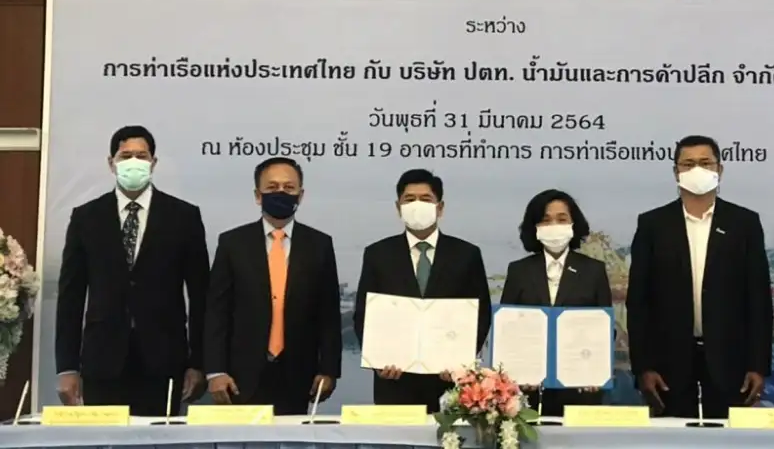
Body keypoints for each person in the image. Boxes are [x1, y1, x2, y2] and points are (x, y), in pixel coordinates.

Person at [55, 125, 210, 415]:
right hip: (102, 361)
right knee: (104, 438)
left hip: (165, 361)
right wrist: (66, 367)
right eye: (126, 156)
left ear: (153, 162)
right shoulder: (86, 218)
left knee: (160, 437)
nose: (134, 162)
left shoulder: (184, 216)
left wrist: (198, 363)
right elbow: (70, 298)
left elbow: (201, 296)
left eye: (142, 155)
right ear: (111, 163)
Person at [625, 134, 772, 419]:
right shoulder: (653, 224)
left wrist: (758, 365)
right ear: (675, 172)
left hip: (732, 363)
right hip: (668, 366)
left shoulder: (744, 223)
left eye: (705, 163)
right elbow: (639, 302)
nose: (697, 170)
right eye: (688, 164)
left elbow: (758, 299)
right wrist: (643, 367)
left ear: (720, 169)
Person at [203, 157, 341, 415]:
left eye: (289, 188)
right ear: (258, 195)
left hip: (299, 376)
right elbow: (217, 312)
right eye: (272, 187)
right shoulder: (233, 243)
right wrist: (215, 371)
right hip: (239, 377)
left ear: (300, 195)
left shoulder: (319, 245)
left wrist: (329, 370)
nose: (281, 193)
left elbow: (329, 314)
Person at [354, 168, 492, 413]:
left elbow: (480, 314)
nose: (417, 205)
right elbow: (364, 314)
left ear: (440, 207)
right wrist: (378, 360)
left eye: (425, 199)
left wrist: (462, 362)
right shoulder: (378, 254)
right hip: (395, 381)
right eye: (409, 199)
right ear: (398, 208)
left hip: (450, 384)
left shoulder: (467, 255)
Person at [500, 189, 613, 417]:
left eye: (562, 219)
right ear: (534, 227)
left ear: (574, 225)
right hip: (527, 391)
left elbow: (605, 328)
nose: (554, 226)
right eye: (546, 220)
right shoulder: (519, 271)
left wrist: (594, 371)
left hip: (580, 388)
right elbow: (507, 327)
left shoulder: (593, 270)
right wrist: (518, 372)